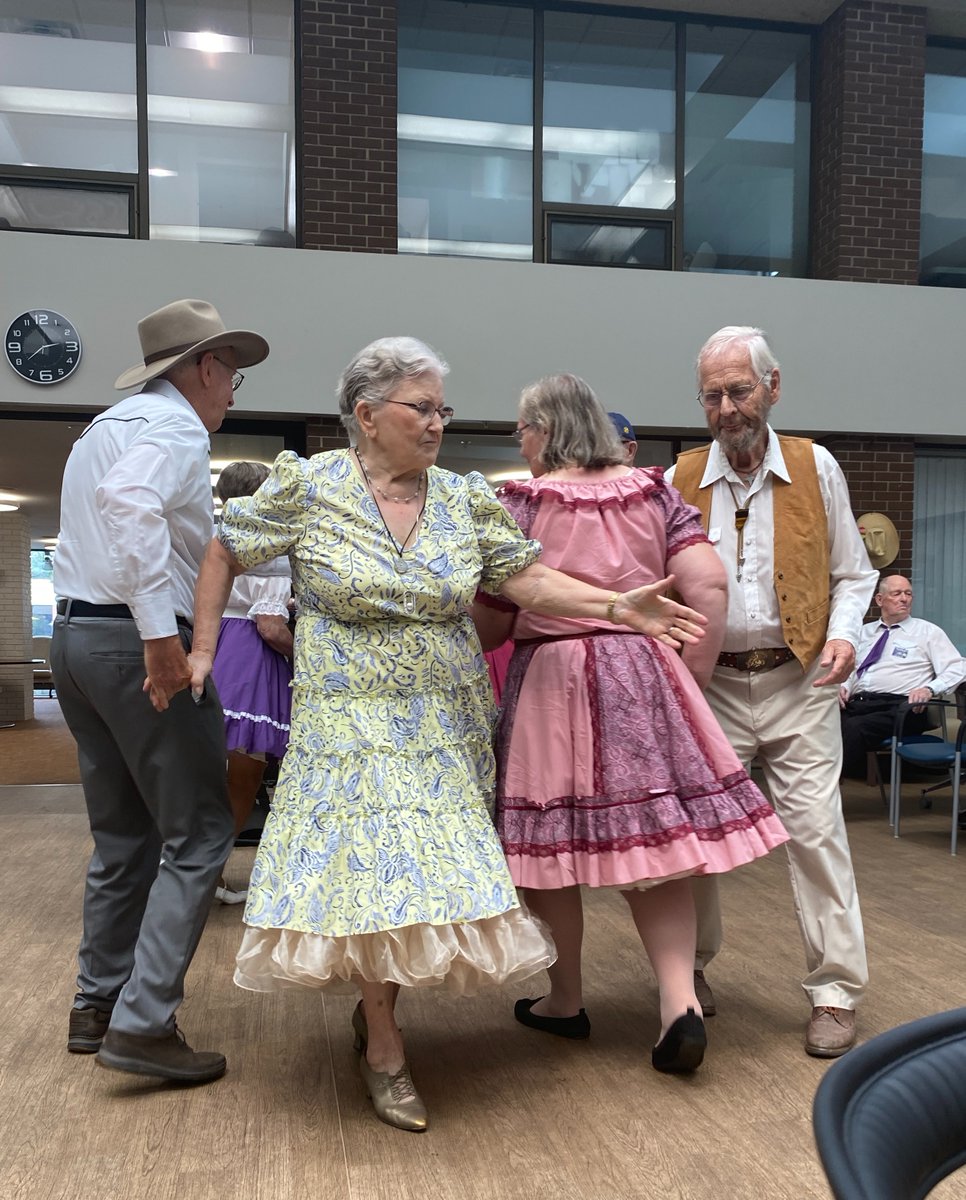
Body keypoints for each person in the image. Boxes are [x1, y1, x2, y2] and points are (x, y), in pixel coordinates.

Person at [179, 337, 710, 1132]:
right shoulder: (311, 484)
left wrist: (615, 605)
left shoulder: (464, 499)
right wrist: (203, 646)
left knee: (421, 878)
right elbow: (225, 547)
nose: (436, 423)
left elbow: (520, 575)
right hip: (346, 717)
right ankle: (386, 1047)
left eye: (442, 409)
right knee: (370, 871)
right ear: (366, 415)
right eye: (420, 407)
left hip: (443, 720)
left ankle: (377, 1010)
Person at [482, 373, 788, 1075]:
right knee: (660, 848)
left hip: (551, 678)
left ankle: (564, 1001)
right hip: (643, 672)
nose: (519, 441)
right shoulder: (654, 491)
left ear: (547, 429)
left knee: (548, 847)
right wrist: (689, 678)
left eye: (521, 428)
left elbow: (497, 616)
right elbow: (709, 584)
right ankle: (678, 1005)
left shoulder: (521, 503)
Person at [51, 298, 269, 1083]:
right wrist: (157, 636)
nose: (235, 391)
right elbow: (130, 507)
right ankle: (143, 1025)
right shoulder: (175, 429)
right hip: (130, 641)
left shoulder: (102, 429)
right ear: (203, 368)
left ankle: (97, 1004)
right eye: (232, 374)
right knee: (203, 831)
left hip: (74, 640)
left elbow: (103, 511)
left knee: (123, 836)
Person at [667, 325, 878, 1058]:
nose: (727, 408)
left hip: (800, 680)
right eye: (713, 395)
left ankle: (834, 991)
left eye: (740, 391)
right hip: (711, 687)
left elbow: (855, 573)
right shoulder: (680, 478)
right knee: (695, 837)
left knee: (818, 836)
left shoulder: (815, 467)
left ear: (773, 387)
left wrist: (847, 634)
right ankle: (688, 971)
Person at [210, 461, 295, 902]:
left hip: (217, 645)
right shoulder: (268, 549)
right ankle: (210, 876)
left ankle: (195, 872)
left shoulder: (217, 538)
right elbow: (270, 627)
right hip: (252, 660)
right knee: (244, 776)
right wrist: (305, 656)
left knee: (206, 773)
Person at [839, 573, 965, 779]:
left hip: (903, 708)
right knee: (820, 723)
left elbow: (958, 668)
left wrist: (929, 689)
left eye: (908, 594)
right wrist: (842, 686)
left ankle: (823, 792)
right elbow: (851, 669)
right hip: (860, 704)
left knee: (854, 728)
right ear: (880, 600)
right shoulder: (862, 632)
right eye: (897, 594)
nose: (904, 599)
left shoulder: (928, 632)